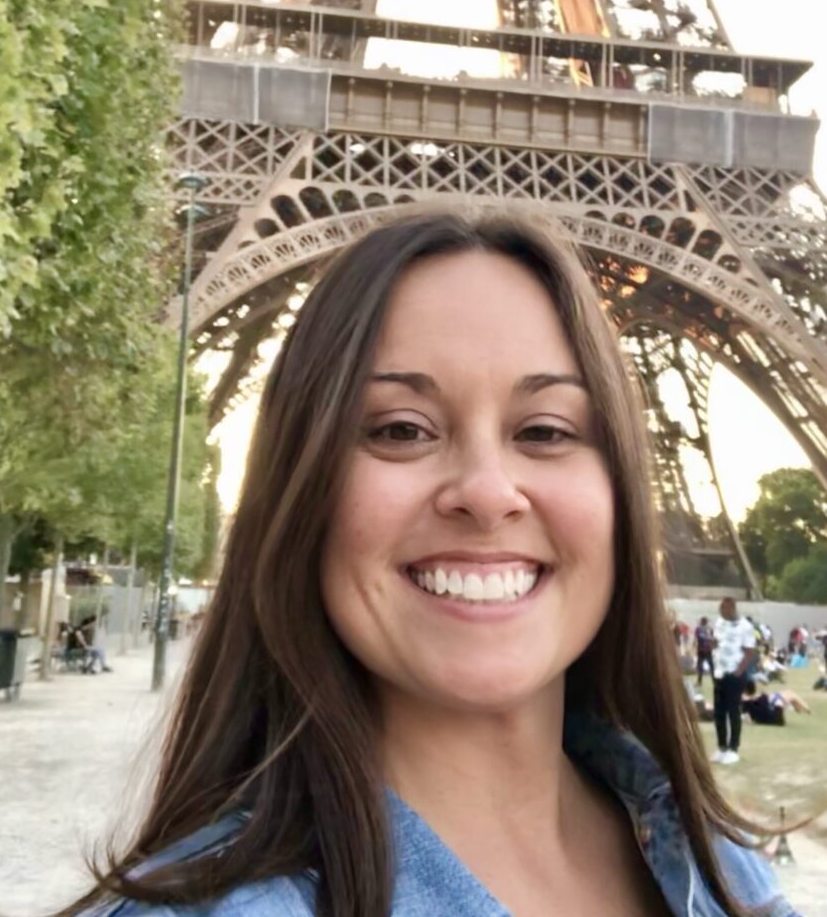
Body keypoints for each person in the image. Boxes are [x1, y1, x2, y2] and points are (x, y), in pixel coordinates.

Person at [64, 213, 791, 917]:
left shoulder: (719, 864)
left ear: (623, 494)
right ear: (300, 491)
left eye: (544, 431)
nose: (485, 492)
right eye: (401, 430)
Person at [711, 597, 757, 765]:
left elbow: (750, 651)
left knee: (733, 711)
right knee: (719, 712)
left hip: (734, 674)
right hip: (719, 673)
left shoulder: (745, 626)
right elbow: (716, 642)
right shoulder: (719, 623)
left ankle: (733, 748)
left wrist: (739, 671)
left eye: (724, 609)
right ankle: (722, 747)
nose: (721, 612)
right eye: (720, 609)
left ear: (732, 608)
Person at [741, 679, 811, 726]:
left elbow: (748, 720)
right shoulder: (760, 697)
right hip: (775, 718)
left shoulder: (746, 702)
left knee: (789, 695)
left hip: (773, 715)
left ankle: (800, 709)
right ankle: (804, 709)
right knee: (790, 695)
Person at [694, 616, 714, 686]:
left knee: (700, 666)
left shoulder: (698, 629)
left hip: (701, 649)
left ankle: (699, 682)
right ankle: (714, 681)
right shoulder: (710, 629)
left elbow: (697, 639)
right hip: (708, 649)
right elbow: (712, 638)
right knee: (711, 666)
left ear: (701, 622)